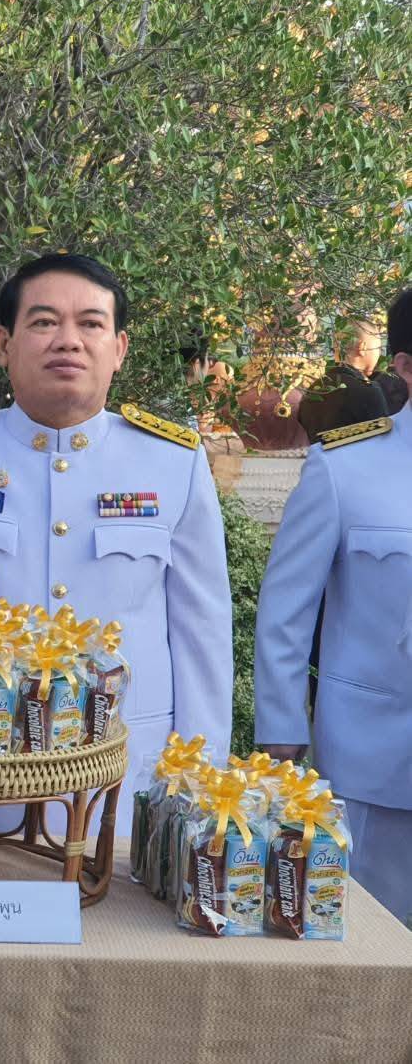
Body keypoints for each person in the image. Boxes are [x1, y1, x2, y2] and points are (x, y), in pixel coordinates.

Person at [0, 254, 232, 821]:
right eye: (45, 322)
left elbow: (203, 633)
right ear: (4, 344)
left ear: (119, 349)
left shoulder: (174, 462)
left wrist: (197, 784)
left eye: (91, 324)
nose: (68, 341)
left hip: (125, 783)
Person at [255, 287, 412, 925]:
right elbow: (286, 610)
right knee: (375, 949)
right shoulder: (345, 468)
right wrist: (281, 733)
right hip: (375, 764)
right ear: (404, 365)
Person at [297, 319, 390, 443]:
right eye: (378, 349)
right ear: (362, 348)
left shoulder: (313, 391)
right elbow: (382, 442)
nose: (378, 355)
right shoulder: (367, 392)